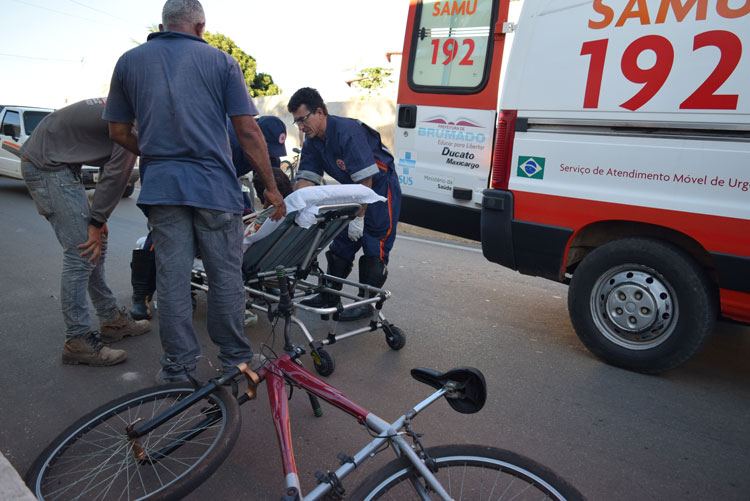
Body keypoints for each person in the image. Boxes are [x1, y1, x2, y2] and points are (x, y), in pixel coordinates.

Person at [104, 0, 286, 383]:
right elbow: (249, 131)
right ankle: (236, 360)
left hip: (163, 190)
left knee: (172, 279)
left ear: (163, 24)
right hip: (215, 189)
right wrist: (271, 187)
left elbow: (119, 133)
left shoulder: (129, 61)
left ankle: (178, 368)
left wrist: (157, 154)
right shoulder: (221, 62)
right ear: (201, 26)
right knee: (225, 277)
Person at [20, 98, 151, 367]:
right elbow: (116, 174)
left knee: (95, 246)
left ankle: (111, 320)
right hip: (47, 167)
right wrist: (96, 218)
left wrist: (98, 218)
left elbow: (109, 163)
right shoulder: (135, 124)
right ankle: (77, 339)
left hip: (60, 165)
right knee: (81, 252)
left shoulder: (133, 106)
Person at [129, 117, 290, 321]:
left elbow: (269, 174)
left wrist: (270, 200)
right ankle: (141, 295)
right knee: (165, 231)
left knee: (242, 213)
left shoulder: (259, 143)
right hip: (179, 174)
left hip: (220, 177)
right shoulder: (226, 138)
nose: (270, 154)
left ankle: (255, 282)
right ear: (253, 136)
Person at [287, 87, 401, 321]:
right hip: (351, 189)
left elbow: (366, 181)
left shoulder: (347, 131)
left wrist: (359, 218)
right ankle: (329, 296)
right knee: (341, 240)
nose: (300, 127)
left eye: (303, 119)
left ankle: (367, 302)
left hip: (379, 189)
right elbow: (307, 179)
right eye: (296, 122)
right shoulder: (312, 141)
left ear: (320, 112)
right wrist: (293, 208)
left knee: (374, 241)